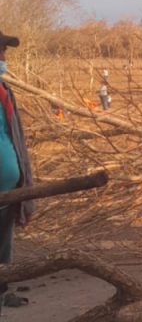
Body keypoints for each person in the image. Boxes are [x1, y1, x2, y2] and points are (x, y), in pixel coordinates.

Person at [0, 29, 35, 313]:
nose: (3, 56)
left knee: (2, 248)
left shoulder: (2, 88)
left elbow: (14, 136)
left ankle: (2, 291)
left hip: (8, 191)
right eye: (0, 51)